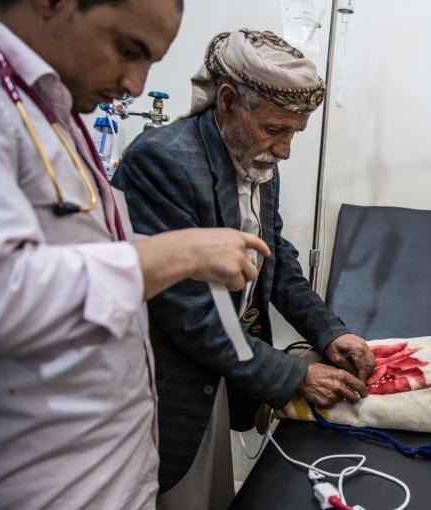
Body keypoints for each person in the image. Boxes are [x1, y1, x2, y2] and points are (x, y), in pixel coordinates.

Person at [0, 2, 270, 509]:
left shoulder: (50, 107)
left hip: (112, 466)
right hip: (43, 480)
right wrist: (173, 255)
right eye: (129, 49)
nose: (137, 86)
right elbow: (0, 290)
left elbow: (80, 250)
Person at [113, 28, 375, 509]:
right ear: (228, 102)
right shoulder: (163, 162)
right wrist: (293, 376)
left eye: (294, 133)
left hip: (225, 367)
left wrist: (329, 332)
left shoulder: (252, 159)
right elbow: (189, 312)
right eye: (275, 130)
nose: (284, 150)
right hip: (168, 381)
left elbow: (276, 258)